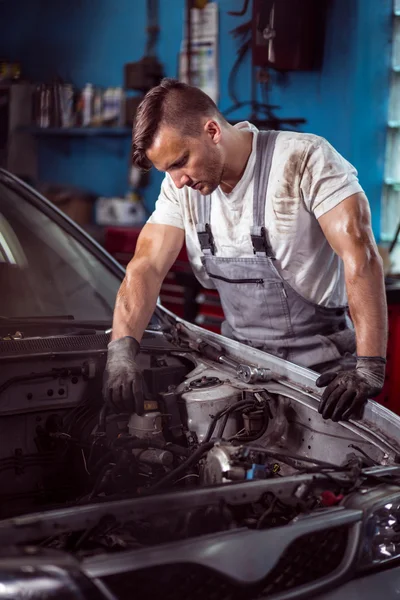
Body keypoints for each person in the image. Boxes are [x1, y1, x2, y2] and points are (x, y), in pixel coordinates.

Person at [103, 78, 388, 423]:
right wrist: (121, 350)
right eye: (168, 171)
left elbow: (361, 255)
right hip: (239, 367)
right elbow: (145, 266)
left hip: (323, 376)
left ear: (212, 131)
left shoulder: (305, 159)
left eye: (181, 162)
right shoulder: (182, 188)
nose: (177, 180)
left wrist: (369, 365)